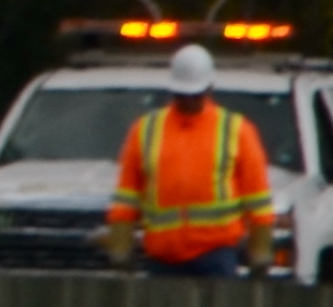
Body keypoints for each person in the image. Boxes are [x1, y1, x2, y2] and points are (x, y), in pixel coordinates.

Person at [108, 42, 270, 276]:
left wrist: (261, 249)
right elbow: (126, 196)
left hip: (217, 254)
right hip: (163, 257)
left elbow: (258, 198)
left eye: (195, 94)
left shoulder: (235, 130)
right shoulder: (146, 129)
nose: (189, 100)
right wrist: (120, 246)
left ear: (209, 89)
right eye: (183, 94)